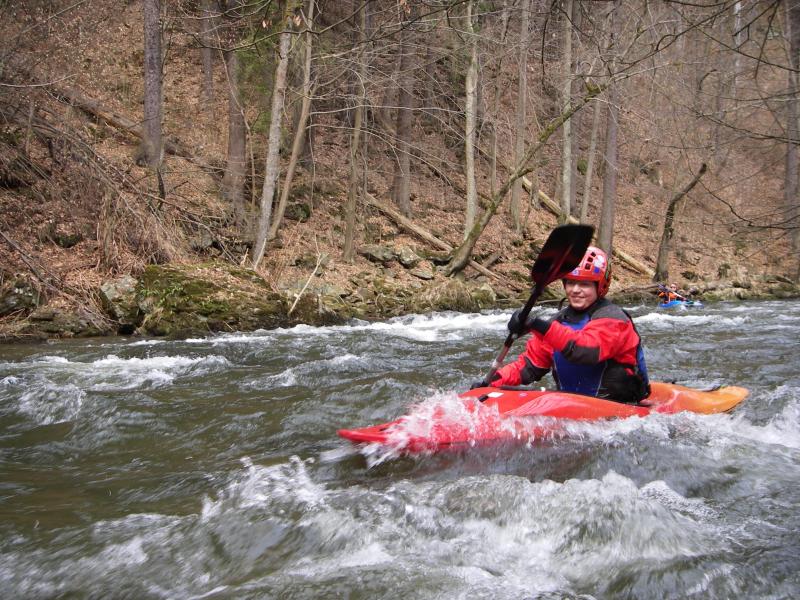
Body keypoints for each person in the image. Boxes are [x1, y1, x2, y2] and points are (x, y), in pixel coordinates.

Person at [472, 246, 650, 404]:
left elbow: (584, 350)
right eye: (571, 282)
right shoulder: (558, 321)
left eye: (584, 284)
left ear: (600, 286)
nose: (575, 290)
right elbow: (529, 366)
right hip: (571, 406)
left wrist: (536, 325)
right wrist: (493, 381)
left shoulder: (614, 319)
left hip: (619, 407)